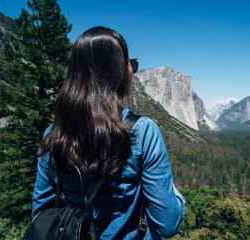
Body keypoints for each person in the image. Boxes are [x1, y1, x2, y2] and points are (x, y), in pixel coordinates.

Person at [32, 26, 185, 240]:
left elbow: (40, 214)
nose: (132, 70)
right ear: (119, 72)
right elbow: (168, 225)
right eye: (131, 64)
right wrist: (173, 193)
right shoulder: (143, 131)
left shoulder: (53, 135)